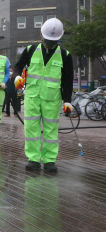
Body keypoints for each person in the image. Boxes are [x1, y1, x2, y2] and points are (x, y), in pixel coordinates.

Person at [14, 18, 73, 173]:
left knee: (51, 130)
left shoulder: (65, 55)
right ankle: (33, 159)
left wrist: (67, 101)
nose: (49, 43)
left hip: (52, 99)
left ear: (59, 38)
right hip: (32, 96)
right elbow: (18, 66)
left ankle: (49, 160)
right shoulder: (31, 50)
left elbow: (68, 79)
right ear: (41, 35)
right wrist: (17, 77)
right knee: (31, 128)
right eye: (47, 39)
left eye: (53, 40)